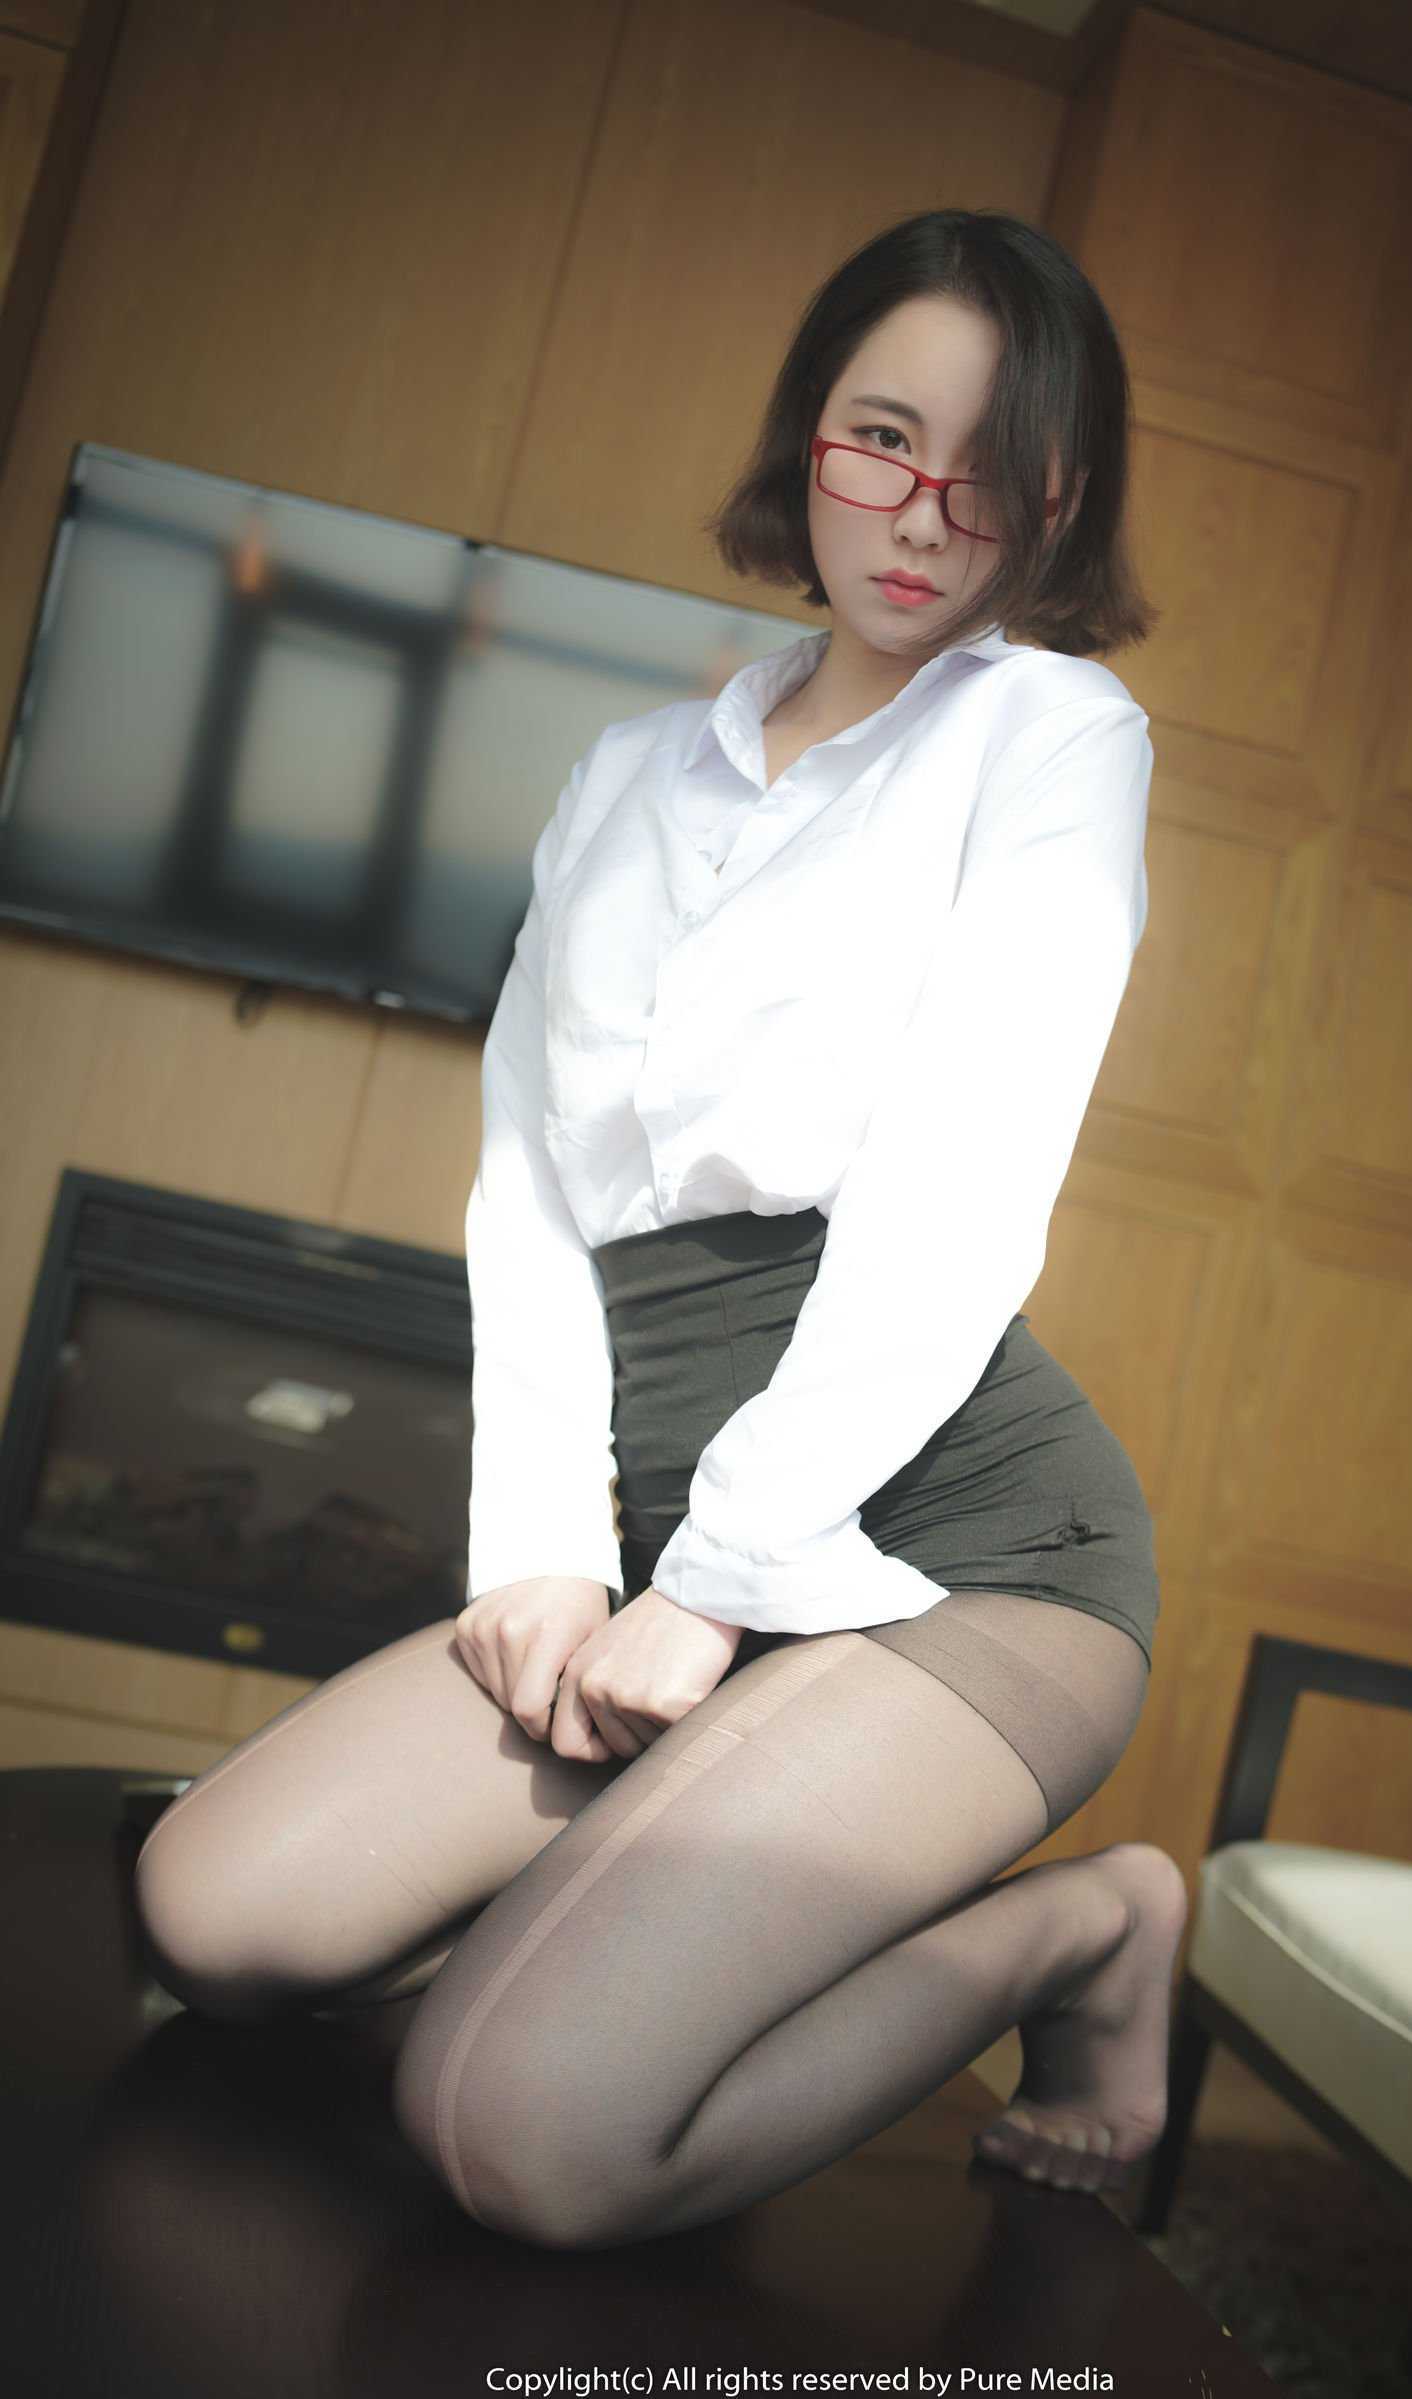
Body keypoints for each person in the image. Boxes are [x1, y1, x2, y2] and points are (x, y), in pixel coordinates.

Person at [133, 207, 1190, 2250]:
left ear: (1061, 501)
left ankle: (1082, 1931)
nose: (927, 510)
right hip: (653, 1545)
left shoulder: (1054, 736)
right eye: (884, 436)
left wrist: (710, 1586)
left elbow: (959, 1194)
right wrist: (541, 1550)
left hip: (962, 1561)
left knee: (521, 2136)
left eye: (998, 467)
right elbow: (531, 1190)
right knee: (215, 1914)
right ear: (809, 432)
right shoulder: (628, 774)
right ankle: (647, 1894)